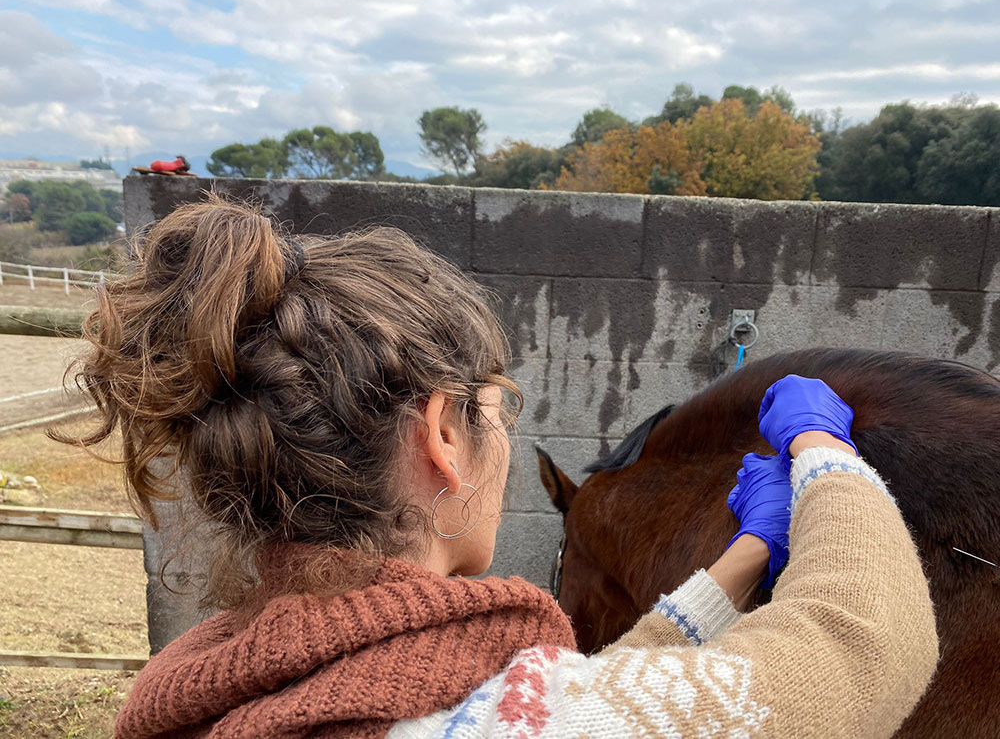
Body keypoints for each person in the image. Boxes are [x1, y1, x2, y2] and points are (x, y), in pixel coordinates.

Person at [67, 195, 936, 738]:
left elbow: (595, 702)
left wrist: (743, 561)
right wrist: (824, 451)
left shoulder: (204, 678)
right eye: (498, 408)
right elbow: (867, 644)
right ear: (443, 432)